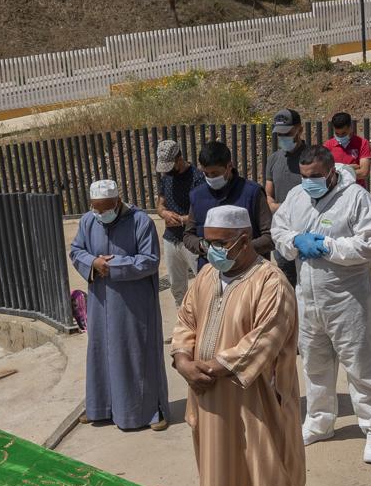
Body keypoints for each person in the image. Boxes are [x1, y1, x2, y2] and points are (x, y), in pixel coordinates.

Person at [171, 205, 312, 486]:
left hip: (257, 406)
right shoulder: (206, 276)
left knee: (270, 482)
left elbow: (265, 340)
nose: (212, 250)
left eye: (220, 243)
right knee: (219, 480)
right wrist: (182, 360)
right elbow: (185, 322)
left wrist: (211, 369)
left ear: (244, 240)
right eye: (208, 243)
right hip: (209, 403)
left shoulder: (271, 283)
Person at [271, 144, 371, 462]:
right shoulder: (297, 196)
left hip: (348, 299)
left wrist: (327, 245)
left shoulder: (357, 199)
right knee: (314, 364)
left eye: (315, 176)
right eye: (304, 175)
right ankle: (320, 422)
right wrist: (296, 241)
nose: (309, 181)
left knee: (362, 364)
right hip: (308, 299)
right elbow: (278, 229)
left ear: (331, 171)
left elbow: (369, 244)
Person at [69, 180, 168, 432]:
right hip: (101, 301)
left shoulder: (140, 221)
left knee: (136, 353)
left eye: (105, 208)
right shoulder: (88, 221)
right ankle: (101, 408)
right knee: (101, 351)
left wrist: (111, 266)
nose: (101, 214)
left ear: (118, 201)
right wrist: (93, 262)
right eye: (96, 208)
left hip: (133, 302)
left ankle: (149, 412)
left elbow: (150, 261)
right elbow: (76, 250)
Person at [189, 139, 272, 264]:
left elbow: (270, 237)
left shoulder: (252, 193)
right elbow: (188, 235)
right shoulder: (197, 195)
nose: (211, 178)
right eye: (206, 174)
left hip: (249, 271)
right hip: (210, 269)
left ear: (229, 166)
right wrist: (203, 246)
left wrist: (237, 251)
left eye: (215, 173)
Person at [154, 139, 203, 314]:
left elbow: (202, 209)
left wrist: (182, 219)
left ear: (179, 158)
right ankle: (183, 322)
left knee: (202, 282)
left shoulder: (197, 178)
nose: (167, 171)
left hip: (191, 238)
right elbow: (160, 205)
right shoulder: (166, 177)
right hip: (170, 239)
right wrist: (164, 213)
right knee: (177, 286)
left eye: (170, 165)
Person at [263, 109, 305, 285]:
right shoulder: (273, 159)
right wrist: (272, 205)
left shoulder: (313, 157)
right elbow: (268, 193)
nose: (282, 137)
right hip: (282, 232)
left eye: (287, 133)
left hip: (306, 231)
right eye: (279, 134)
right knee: (286, 282)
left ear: (299, 130)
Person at [324, 111, 371, 187]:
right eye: (337, 134)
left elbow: (364, 173)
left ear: (350, 128)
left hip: (355, 190)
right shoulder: (328, 145)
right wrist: (349, 168)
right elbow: (325, 173)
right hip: (335, 191)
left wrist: (336, 173)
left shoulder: (362, 143)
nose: (340, 137)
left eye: (343, 133)